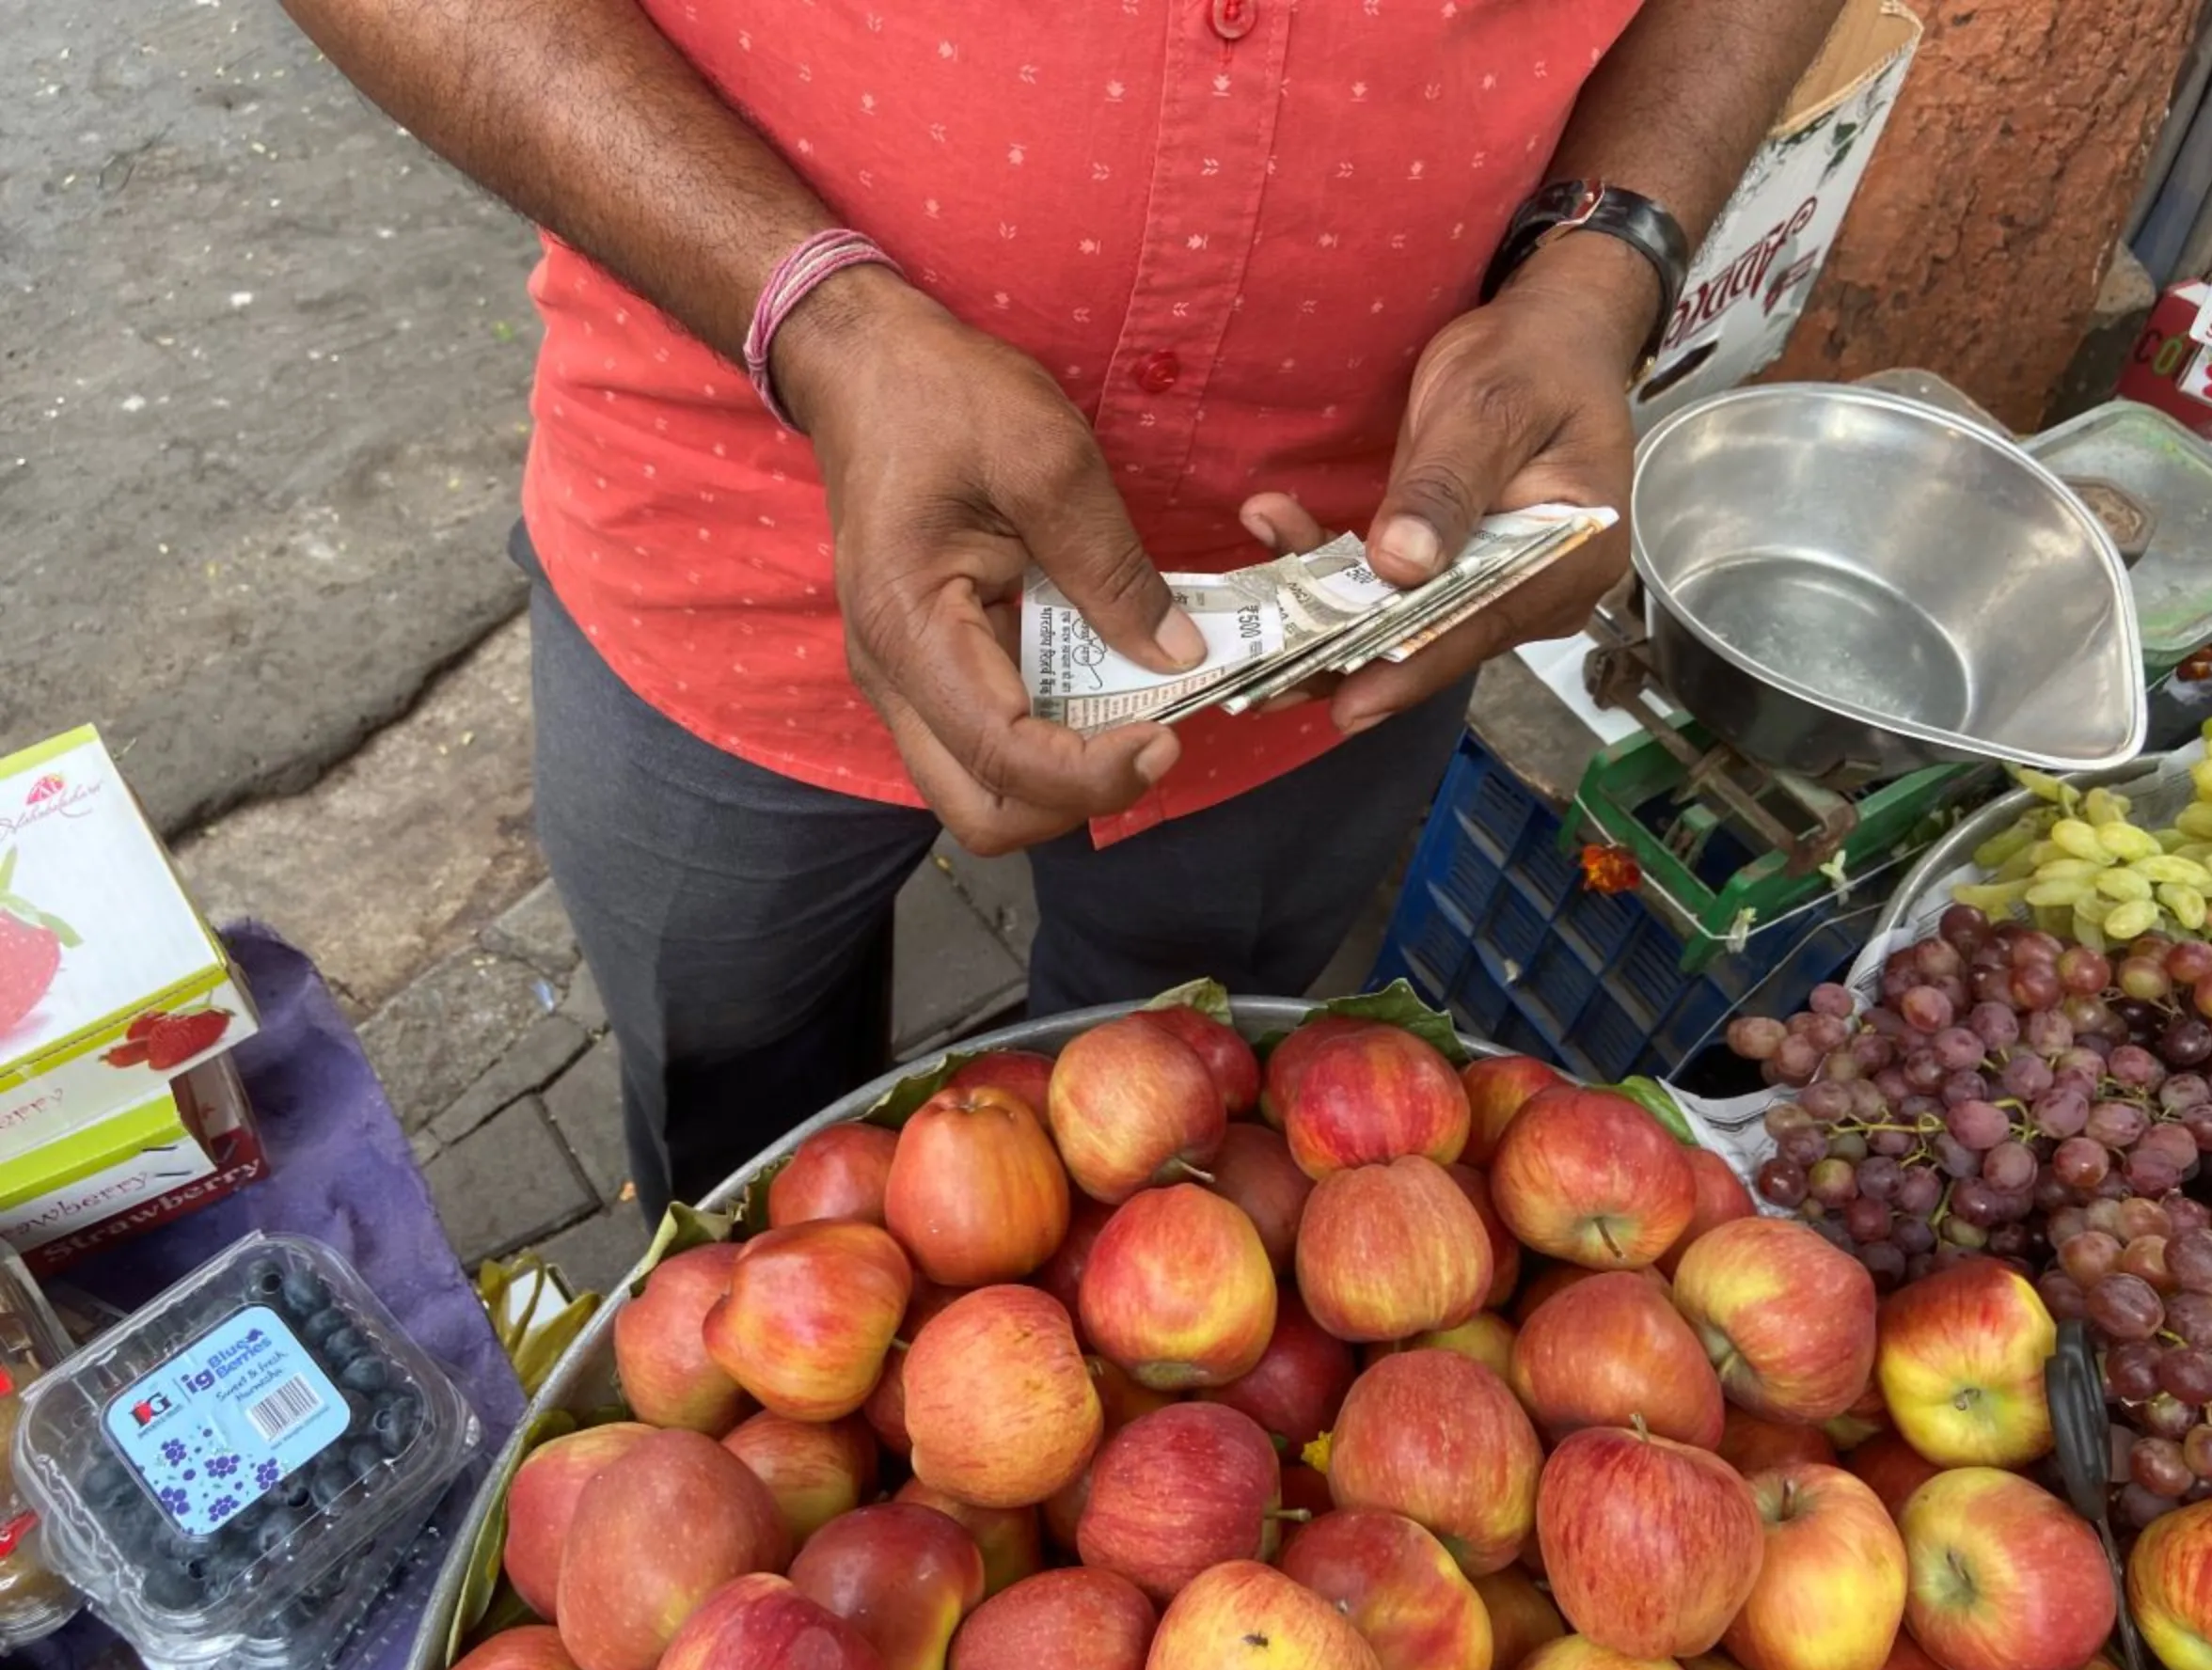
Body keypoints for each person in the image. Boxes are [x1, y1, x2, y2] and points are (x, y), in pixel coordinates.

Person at [280, 0, 1843, 1220]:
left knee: (1196, 1116)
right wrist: (813, 316)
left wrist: (1604, 266)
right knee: (738, 1104)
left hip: (1349, 591)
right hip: (724, 538)